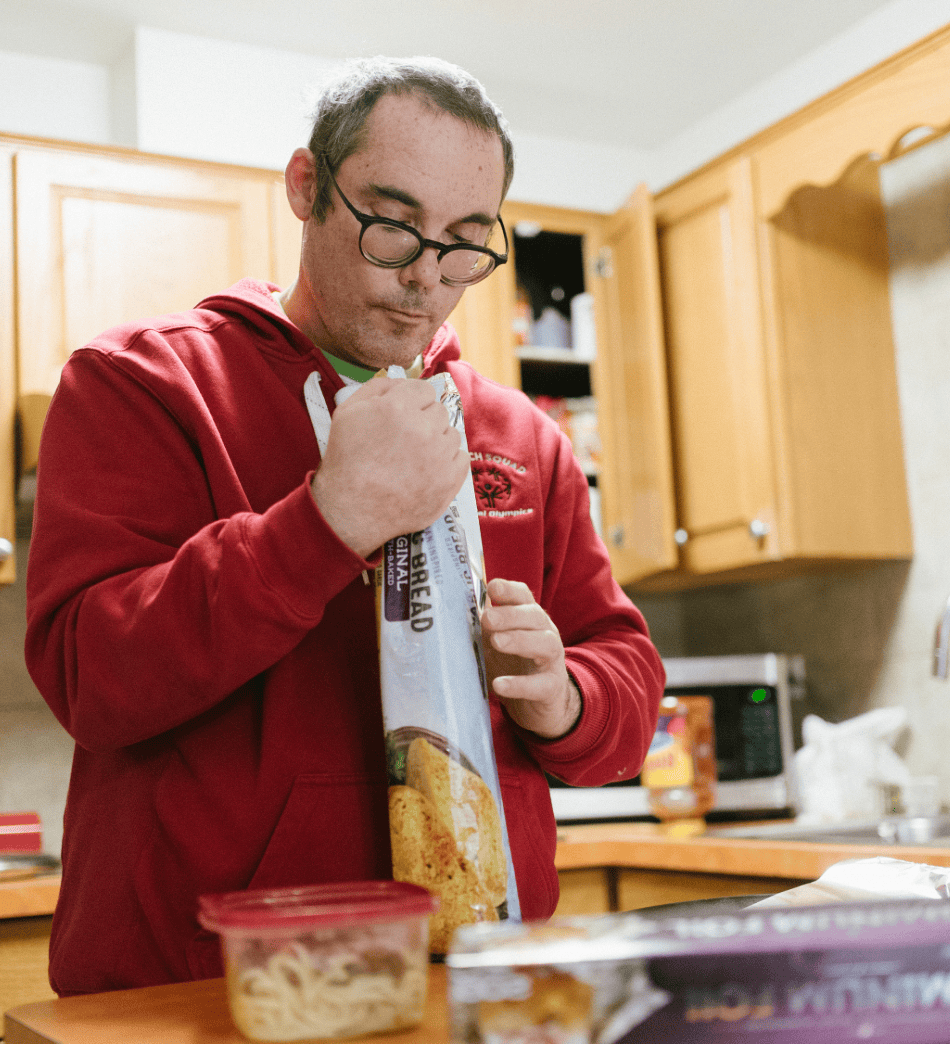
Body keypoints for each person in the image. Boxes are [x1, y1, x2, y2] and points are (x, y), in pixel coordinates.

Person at [24, 56, 665, 996]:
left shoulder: (522, 437)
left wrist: (563, 696)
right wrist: (326, 523)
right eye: (393, 225)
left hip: (476, 975)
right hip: (208, 984)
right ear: (306, 187)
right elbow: (92, 676)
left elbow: (627, 675)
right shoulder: (140, 384)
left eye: (464, 244)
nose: (426, 280)